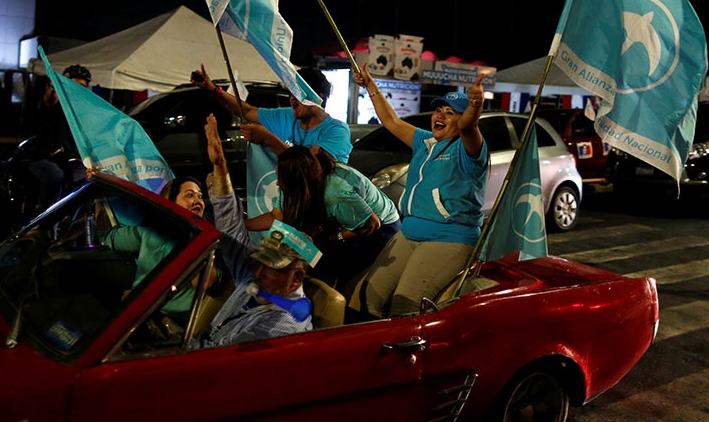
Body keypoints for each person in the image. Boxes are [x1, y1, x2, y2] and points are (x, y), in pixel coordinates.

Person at [353, 62, 488, 318]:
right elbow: (391, 121)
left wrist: (475, 107)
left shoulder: (467, 150)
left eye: (450, 113)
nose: (440, 116)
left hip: (448, 238)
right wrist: (370, 85)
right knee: (367, 298)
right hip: (409, 232)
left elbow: (469, 127)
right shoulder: (425, 141)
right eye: (438, 110)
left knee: (405, 306)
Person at [190, 114, 318, 348]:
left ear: (296, 278)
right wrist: (220, 168)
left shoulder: (282, 326)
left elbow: (223, 358)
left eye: (270, 268)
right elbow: (231, 230)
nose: (258, 272)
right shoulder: (259, 282)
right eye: (260, 262)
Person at [249, 145, 401, 290]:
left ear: (297, 179)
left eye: (281, 178)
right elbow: (277, 216)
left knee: (333, 267)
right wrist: (243, 224)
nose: (277, 183)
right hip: (346, 221)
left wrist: (335, 237)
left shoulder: (336, 193)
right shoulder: (295, 181)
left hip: (378, 228)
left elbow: (371, 225)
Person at [98, 175, 215, 322]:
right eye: (190, 195)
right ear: (171, 201)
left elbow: (208, 283)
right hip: (143, 314)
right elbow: (109, 237)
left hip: (182, 325)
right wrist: (100, 198)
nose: (198, 201)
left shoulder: (210, 240)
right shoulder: (150, 231)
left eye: (200, 196)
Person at [190, 64, 352, 163]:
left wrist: (268, 138)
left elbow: (309, 166)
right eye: (291, 93)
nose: (292, 99)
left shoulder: (337, 131)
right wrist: (214, 90)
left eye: (299, 94)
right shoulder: (286, 116)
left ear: (318, 98)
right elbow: (247, 111)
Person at [24, 64, 92, 214]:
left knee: (86, 182)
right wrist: (56, 85)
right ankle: (43, 217)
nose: (77, 89)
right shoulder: (58, 102)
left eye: (81, 86)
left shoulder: (84, 111)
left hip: (71, 159)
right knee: (55, 176)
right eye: (73, 84)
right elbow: (49, 100)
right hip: (44, 157)